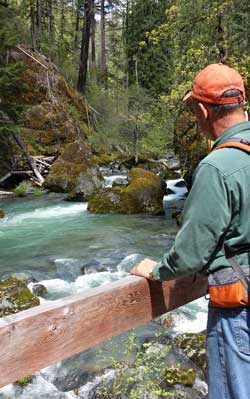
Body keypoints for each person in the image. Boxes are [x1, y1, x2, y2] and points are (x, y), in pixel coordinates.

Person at [131, 63, 250, 399]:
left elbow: (189, 254)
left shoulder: (217, 167)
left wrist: (155, 270)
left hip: (238, 311)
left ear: (202, 110)